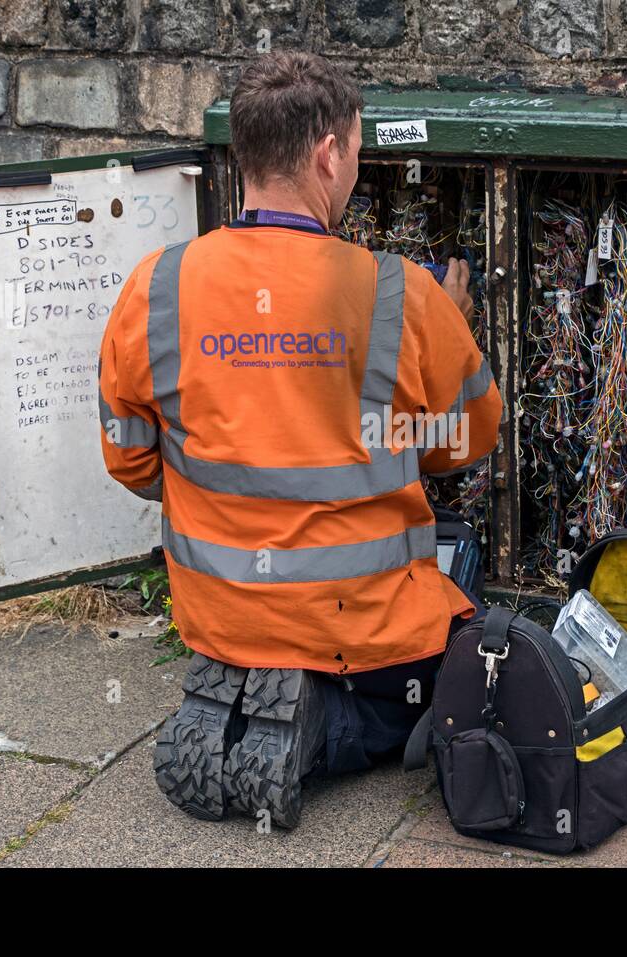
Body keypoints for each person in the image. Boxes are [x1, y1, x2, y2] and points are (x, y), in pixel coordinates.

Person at [97, 51, 503, 829]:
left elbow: (130, 459)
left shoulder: (156, 285)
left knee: (281, 634)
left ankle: (245, 686)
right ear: (327, 154)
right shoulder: (400, 290)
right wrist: (454, 324)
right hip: (364, 622)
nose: (356, 167)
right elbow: (468, 441)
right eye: (356, 151)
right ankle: (328, 721)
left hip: (220, 608)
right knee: (447, 660)